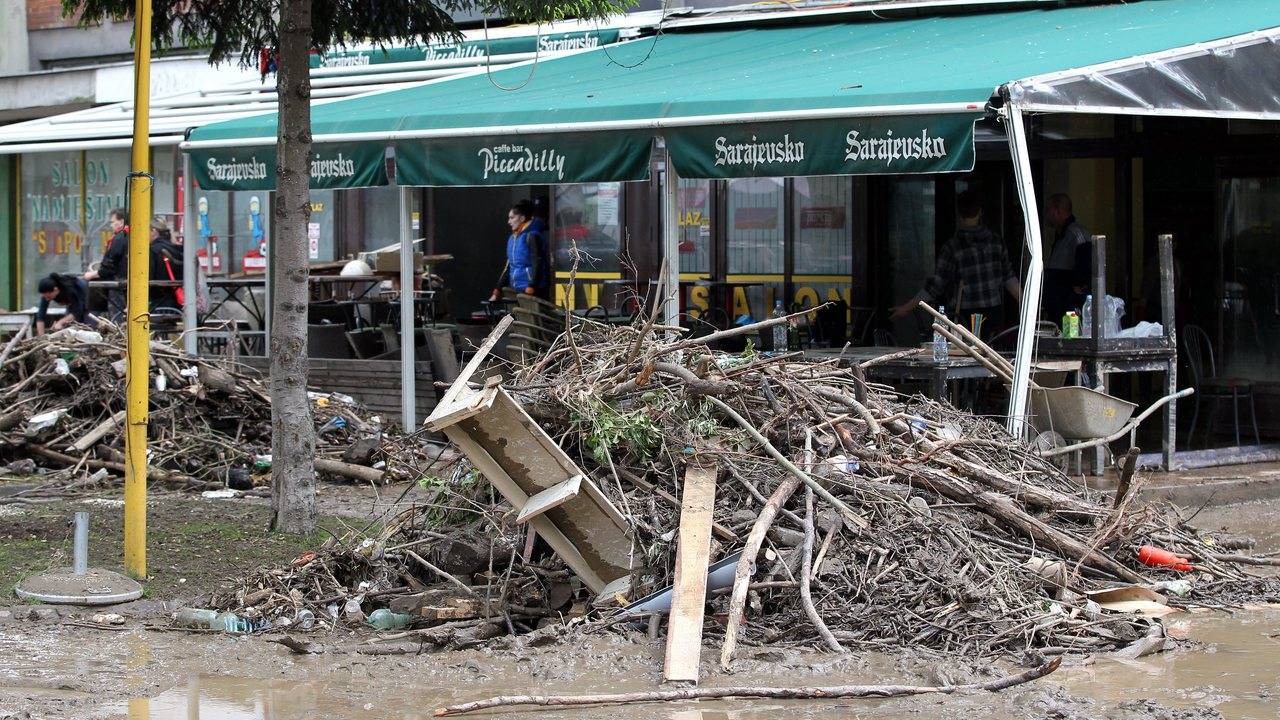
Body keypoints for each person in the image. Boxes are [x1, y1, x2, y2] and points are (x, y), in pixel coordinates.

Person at [890, 190, 1021, 338]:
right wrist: (1028, 306)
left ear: (958, 215)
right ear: (980, 212)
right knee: (992, 353)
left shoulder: (953, 247)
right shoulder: (996, 242)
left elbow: (935, 287)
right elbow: (1010, 279)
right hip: (993, 313)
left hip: (965, 316)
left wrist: (906, 308)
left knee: (967, 355)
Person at [1042, 193, 1092, 323]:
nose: (1046, 215)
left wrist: (1077, 287)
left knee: (1070, 337)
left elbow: (1086, 263)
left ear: (1057, 211)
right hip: (1058, 305)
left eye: (1048, 210)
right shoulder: (1061, 235)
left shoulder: (1076, 233)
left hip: (1069, 305)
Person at [489, 200, 546, 301]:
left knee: (527, 316)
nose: (509, 221)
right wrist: (497, 290)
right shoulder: (512, 238)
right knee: (512, 316)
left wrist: (531, 286)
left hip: (532, 291)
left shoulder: (532, 236)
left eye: (512, 217)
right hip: (516, 289)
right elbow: (509, 267)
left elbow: (537, 263)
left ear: (522, 218)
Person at [83, 207, 129, 320]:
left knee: (118, 319)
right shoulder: (136, 236)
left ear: (122, 221)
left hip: (119, 285)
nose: (111, 225)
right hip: (130, 284)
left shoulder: (119, 238)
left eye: (113, 222)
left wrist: (93, 274)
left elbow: (109, 265)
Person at [148, 218, 184, 310]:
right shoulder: (176, 248)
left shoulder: (153, 250)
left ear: (154, 231)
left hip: (157, 301)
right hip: (177, 299)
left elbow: (150, 276)